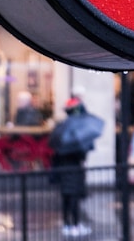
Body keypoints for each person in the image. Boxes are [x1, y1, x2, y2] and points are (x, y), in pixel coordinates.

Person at [48, 97, 92, 236]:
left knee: (67, 197)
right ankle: (74, 225)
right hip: (73, 169)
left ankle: (68, 224)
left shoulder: (62, 127)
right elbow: (81, 153)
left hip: (63, 168)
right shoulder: (76, 129)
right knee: (73, 198)